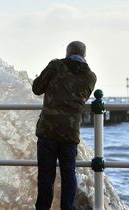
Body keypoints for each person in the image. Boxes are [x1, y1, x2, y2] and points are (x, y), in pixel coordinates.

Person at [32, 41, 97, 210]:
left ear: (67, 53)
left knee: (46, 175)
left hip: (48, 130)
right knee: (69, 175)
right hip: (70, 133)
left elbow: (37, 89)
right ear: (84, 55)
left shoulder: (56, 66)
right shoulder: (90, 77)